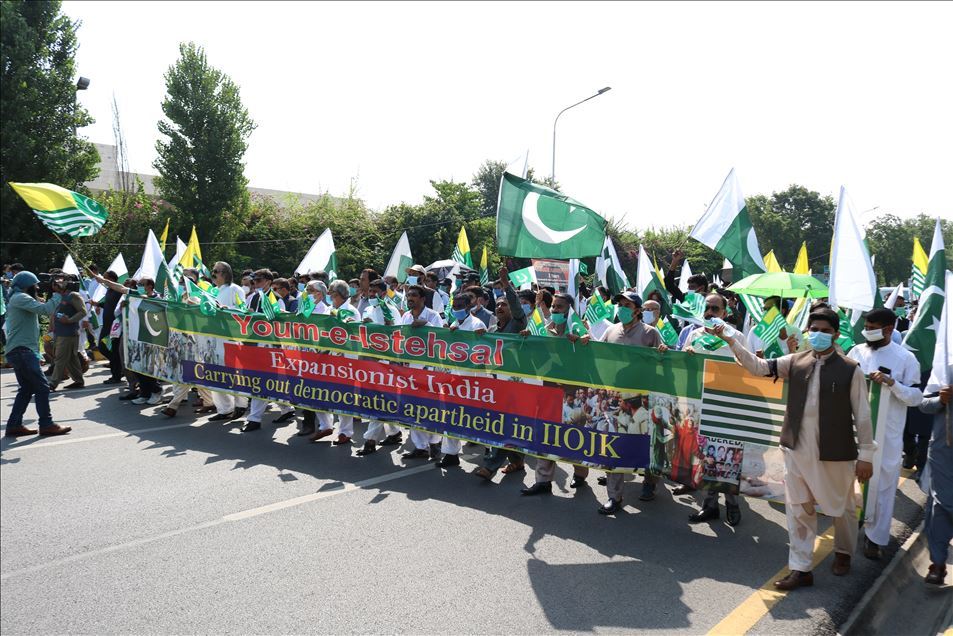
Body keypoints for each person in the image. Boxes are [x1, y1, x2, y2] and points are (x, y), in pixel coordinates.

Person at [715, 308, 875, 590]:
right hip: (796, 451)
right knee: (798, 509)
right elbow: (758, 367)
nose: (819, 334)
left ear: (836, 334)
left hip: (835, 454)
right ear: (807, 331)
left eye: (826, 331)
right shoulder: (795, 361)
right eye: (814, 329)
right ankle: (801, 569)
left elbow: (862, 415)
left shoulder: (851, 370)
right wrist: (731, 341)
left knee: (843, 508)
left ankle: (843, 553)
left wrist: (866, 456)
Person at [847, 307, 923, 559]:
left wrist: (892, 384)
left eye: (872, 328)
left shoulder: (905, 359)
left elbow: (916, 397)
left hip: (887, 435)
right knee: (852, 483)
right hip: (855, 429)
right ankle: (852, 526)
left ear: (889, 329)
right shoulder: (856, 351)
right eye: (866, 328)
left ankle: (874, 538)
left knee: (883, 486)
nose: (866, 332)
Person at [681, 293, 743, 525]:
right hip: (700, 403)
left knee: (728, 456)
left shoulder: (736, 337)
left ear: (725, 313)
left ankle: (732, 505)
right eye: (707, 308)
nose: (710, 312)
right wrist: (686, 357)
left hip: (727, 405)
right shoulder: (694, 336)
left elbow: (747, 368)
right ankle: (709, 506)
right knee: (706, 456)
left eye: (715, 309)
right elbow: (683, 369)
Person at [3, 271, 72, 437]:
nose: (37, 288)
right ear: (27, 286)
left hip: (21, 350)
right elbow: (46, 310)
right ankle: (46, 424)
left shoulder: (19, 298)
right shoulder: (21, 298)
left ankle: (14, 425)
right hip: (22, 351)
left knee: (26, 389)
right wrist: (57, 293)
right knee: (42, 387)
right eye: (35, 286)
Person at [436, 291, 486, 468]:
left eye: (459, 307)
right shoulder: (455, 323)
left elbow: (482, 351)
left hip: (473, 380)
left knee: (478, 416)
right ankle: (451, 454)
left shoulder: (477, 325)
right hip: (455, 378)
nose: (456, 310)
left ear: (468, 307)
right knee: (451, 415)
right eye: (454, 307)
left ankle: (488, 446)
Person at [398, 284, 446, 460]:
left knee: (431, 408)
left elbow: (442, 339)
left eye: (413, 295)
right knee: (412, 407)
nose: (410, 298)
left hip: (429, 370)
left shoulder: (432, 316)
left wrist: (427, 326)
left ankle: (435, 442)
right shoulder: (405, 316)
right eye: (408, 295)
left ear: (423, 298)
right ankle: (420, 446)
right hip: (409, 369)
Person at [919, 384, 951, 585]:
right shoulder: (946, 367)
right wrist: (941, 400)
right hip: (944, 452)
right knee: (941, 505)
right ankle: (938, 564)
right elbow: (923, 404)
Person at [208, 261, 247, 421]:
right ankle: (224, 409)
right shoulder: (214, 291)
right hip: (215, 339)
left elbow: (242, 310)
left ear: (224, 273)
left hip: (231, 339)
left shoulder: (235, 289)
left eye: (215, 271)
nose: (213, 274)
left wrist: (225, 309)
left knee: (235, 374)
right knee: (214, 374)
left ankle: (241, 405)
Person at [47, 271, 87, 391]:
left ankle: (53, 383)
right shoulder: (59, 297)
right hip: (60, 333)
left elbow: (83, 311)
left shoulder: (73, 295)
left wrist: (69, 320)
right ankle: (79, 381)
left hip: (68, 333)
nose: (54, 285)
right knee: (71, 359)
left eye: (57, 281)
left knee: (60, 358)